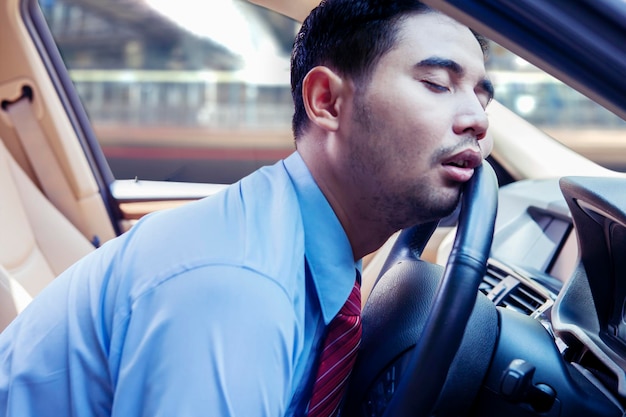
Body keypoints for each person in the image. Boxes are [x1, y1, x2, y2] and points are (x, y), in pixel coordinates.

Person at [0, 0, 493, 415]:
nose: (476, 120)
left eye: (481, 97)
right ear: (327, 101)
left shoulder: (296, 240)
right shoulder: (236, 288)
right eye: (436, 83)